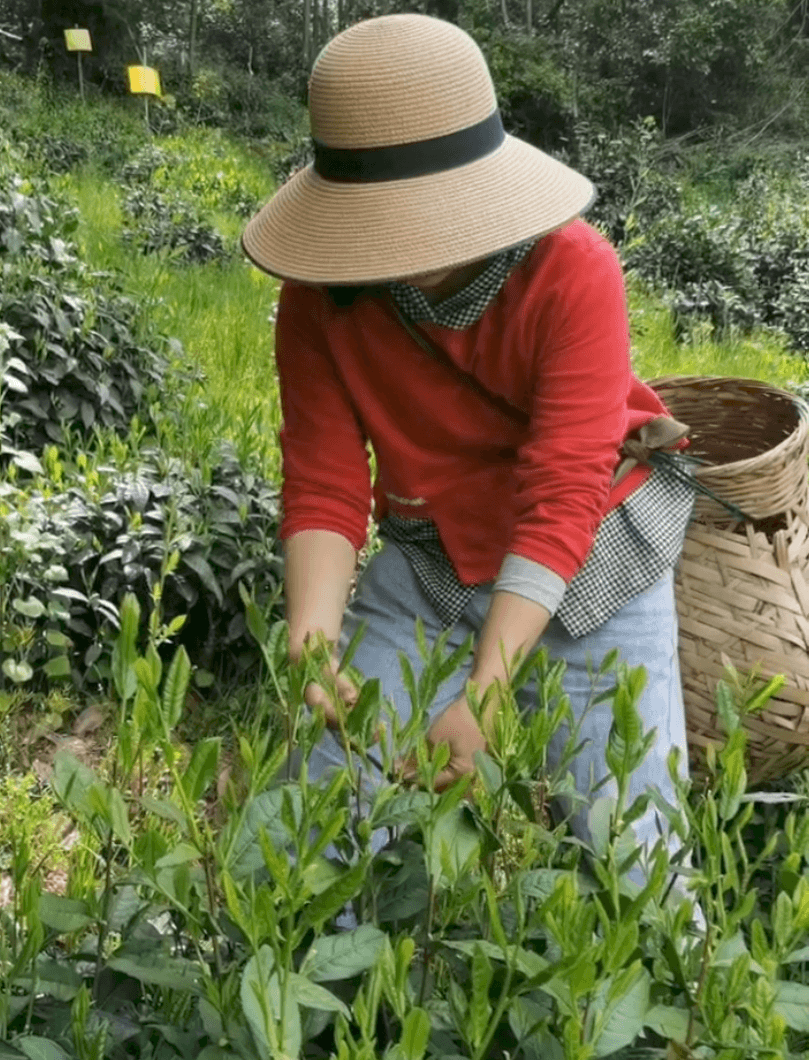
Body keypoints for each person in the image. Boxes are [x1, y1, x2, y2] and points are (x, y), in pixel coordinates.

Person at [241, 13, 696, 869]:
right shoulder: (320, 300)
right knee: (311, 825)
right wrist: (311, 635)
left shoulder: (573, 272)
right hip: (432, 558)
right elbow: (324, 477)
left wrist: (486, 698)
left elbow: (564, 490)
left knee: (635, 852)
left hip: (592, 557)